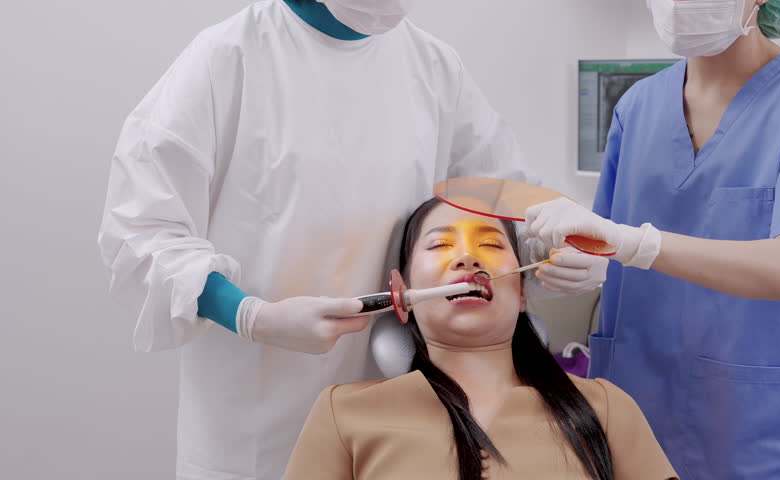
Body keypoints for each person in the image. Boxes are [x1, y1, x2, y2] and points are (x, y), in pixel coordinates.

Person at [97, 1, 608, 478]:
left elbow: (503, 202)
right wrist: (250, 314)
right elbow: (141, 229)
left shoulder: (431, 66)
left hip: (398, 412)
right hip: (255, 425)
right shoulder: (229, 58)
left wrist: (554, 246)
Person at [524, 0, 780, 478]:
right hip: (637, 405)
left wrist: (637, 245)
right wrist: (581, 261)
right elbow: (608, 241)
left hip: (755, 424)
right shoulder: (638, 106)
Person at [285, 198, 678, 480]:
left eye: (490, 244)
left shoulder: (606, 408)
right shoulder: (343, 413)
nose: (468, 258)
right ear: (403, 293)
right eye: (440, 245)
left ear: (522, 292)